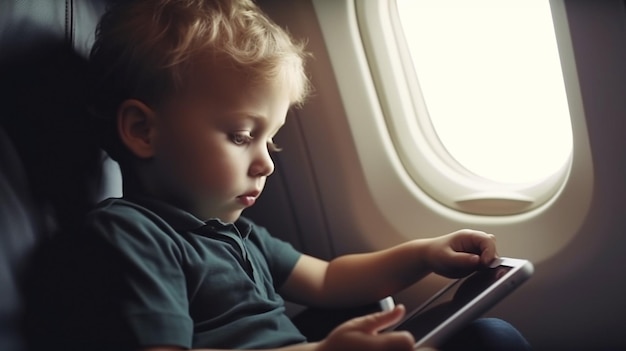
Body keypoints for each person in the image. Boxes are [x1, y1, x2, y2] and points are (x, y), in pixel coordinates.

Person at [32, 0, 531, 350]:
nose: (267, 162)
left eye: (270, 140)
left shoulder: (237, 235)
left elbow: (331, 279)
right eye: (241, 136)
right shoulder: (133, 236)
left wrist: (425, 254)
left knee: (493, 337)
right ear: (143, 130)